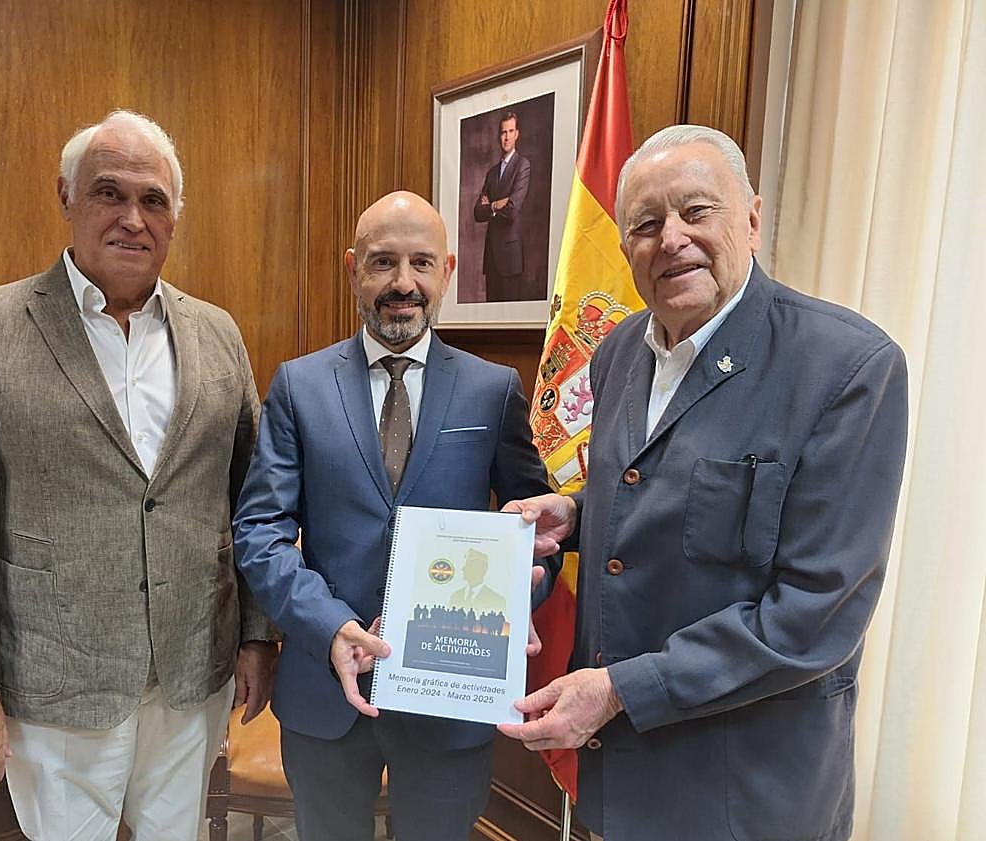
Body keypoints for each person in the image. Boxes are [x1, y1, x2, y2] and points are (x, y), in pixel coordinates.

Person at [499, 125, 908, 841]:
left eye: (696, 212)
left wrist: (621, 689)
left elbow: (816, 611)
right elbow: (666, 492)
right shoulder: (619, 351)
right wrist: (577, 512)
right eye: (645, 225)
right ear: (624, 247)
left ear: (751, 219)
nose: (671, 239)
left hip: (746, 793)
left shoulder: (847, 368)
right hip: (619, 776)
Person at [0, 109, 277, 841]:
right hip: (54, 682)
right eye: (110, 193)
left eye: (153, 200)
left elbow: (254, 501)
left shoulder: (218, 333)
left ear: (174, 218)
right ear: (67, 197)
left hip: (191, 673)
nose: (132, 219)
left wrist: (258, 636)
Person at [233, 191, 552, 841]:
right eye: (383, 262)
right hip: (326, 691)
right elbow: (260, 531)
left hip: (451, 695)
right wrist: (329, 625)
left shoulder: (493, 390)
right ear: (353, 268)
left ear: (448, 271)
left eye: (421, 263)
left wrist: (524, 589)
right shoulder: (299, 385)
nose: (403, 283)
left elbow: (537, 527)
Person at [473, 111, 531, 301]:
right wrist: (496, 205)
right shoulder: (491, 173)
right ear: (499, 135)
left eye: (510, 131)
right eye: (503, 132)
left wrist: (490, 207)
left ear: (517, 134)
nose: (506, 137)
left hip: (510, 257)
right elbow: (478, 212)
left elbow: (512, 210)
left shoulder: (522, 165)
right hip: (492, 257)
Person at [448, 548, 506, 612]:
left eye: (469, 565)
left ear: (482, 569)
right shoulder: (455, 597)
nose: (463, 569)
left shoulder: (497, 600)